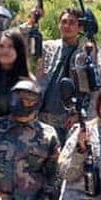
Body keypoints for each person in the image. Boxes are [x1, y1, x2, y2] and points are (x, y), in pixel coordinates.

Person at [35, 8, 86, 143]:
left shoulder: (85, 53)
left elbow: (90, 91)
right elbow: (25, 41)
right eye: (63, 22)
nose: (67, 26)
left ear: (80, 27)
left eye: (72, 22)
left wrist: (78, 115)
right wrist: (33, 20)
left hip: (67, 120)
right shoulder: (47, 47)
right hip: (41, 116)